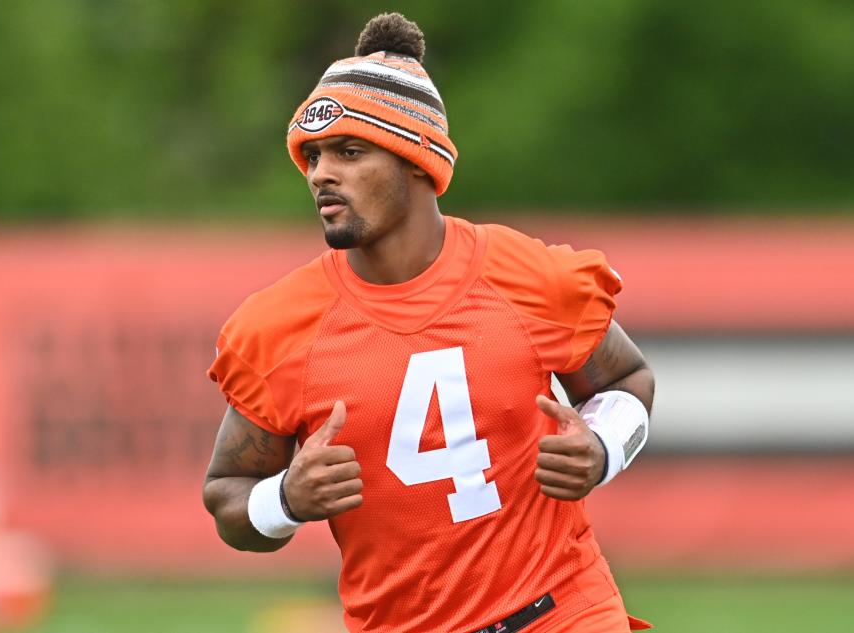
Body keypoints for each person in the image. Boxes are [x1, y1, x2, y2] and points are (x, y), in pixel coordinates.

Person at [203, 12, 655, 633]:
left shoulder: (528, 276)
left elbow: (628, 379)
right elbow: (227, 493)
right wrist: (283, 500)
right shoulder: (278, 327)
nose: (319, 173)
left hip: (564, 612)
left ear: (417, 160)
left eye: (349, 151)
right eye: (312, 155)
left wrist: (602, 447)